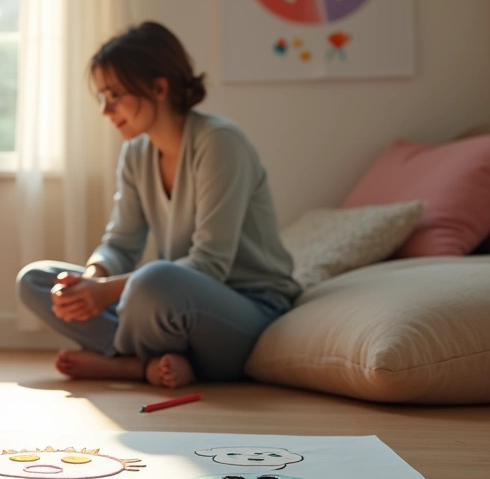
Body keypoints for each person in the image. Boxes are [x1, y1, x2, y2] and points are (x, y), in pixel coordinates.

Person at [16, 21, 302, 388]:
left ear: (160, 87)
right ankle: (154, 363)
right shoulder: (136, 153)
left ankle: (128, 365)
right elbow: (120, 243)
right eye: (102, 96)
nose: (105, 109)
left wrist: (106, 293)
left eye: (115, 94)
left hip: (249, 309)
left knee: (154, 281)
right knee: (36, 281)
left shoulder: (220, 143)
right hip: (172, 305)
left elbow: (209, 265)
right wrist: (92, 280)